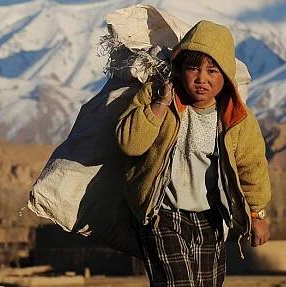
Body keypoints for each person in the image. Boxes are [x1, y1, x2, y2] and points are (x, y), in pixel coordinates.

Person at [115, 20, 271, 286]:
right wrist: (159, 104)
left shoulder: (236, 119)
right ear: (179, 69)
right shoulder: (156, 96)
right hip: (162, 214)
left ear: (226, 77)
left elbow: (252, 167)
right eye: (193, 68)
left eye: (212, 71)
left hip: (211, 218)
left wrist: (257, 215)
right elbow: (130, 143)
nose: (202, 78)